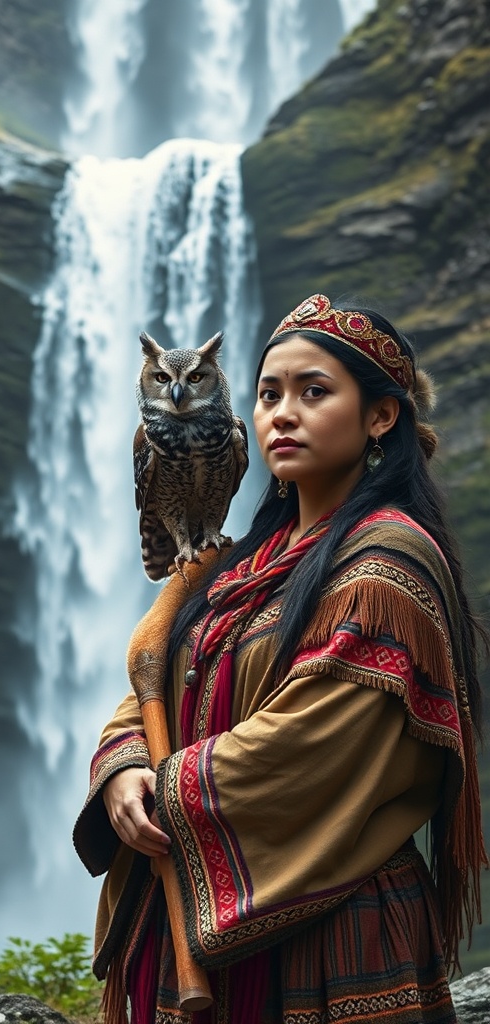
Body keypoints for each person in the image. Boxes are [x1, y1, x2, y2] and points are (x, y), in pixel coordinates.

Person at [73, 293, 487, 1024]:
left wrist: (162, 792)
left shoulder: (388, 565)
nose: (281, 413)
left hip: (332, 940)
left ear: (380, 416)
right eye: (268, 394)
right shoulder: (243, 563)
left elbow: (313, 745)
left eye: (313, 391)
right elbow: (155, 681)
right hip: (194, 942)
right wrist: (121, 767)